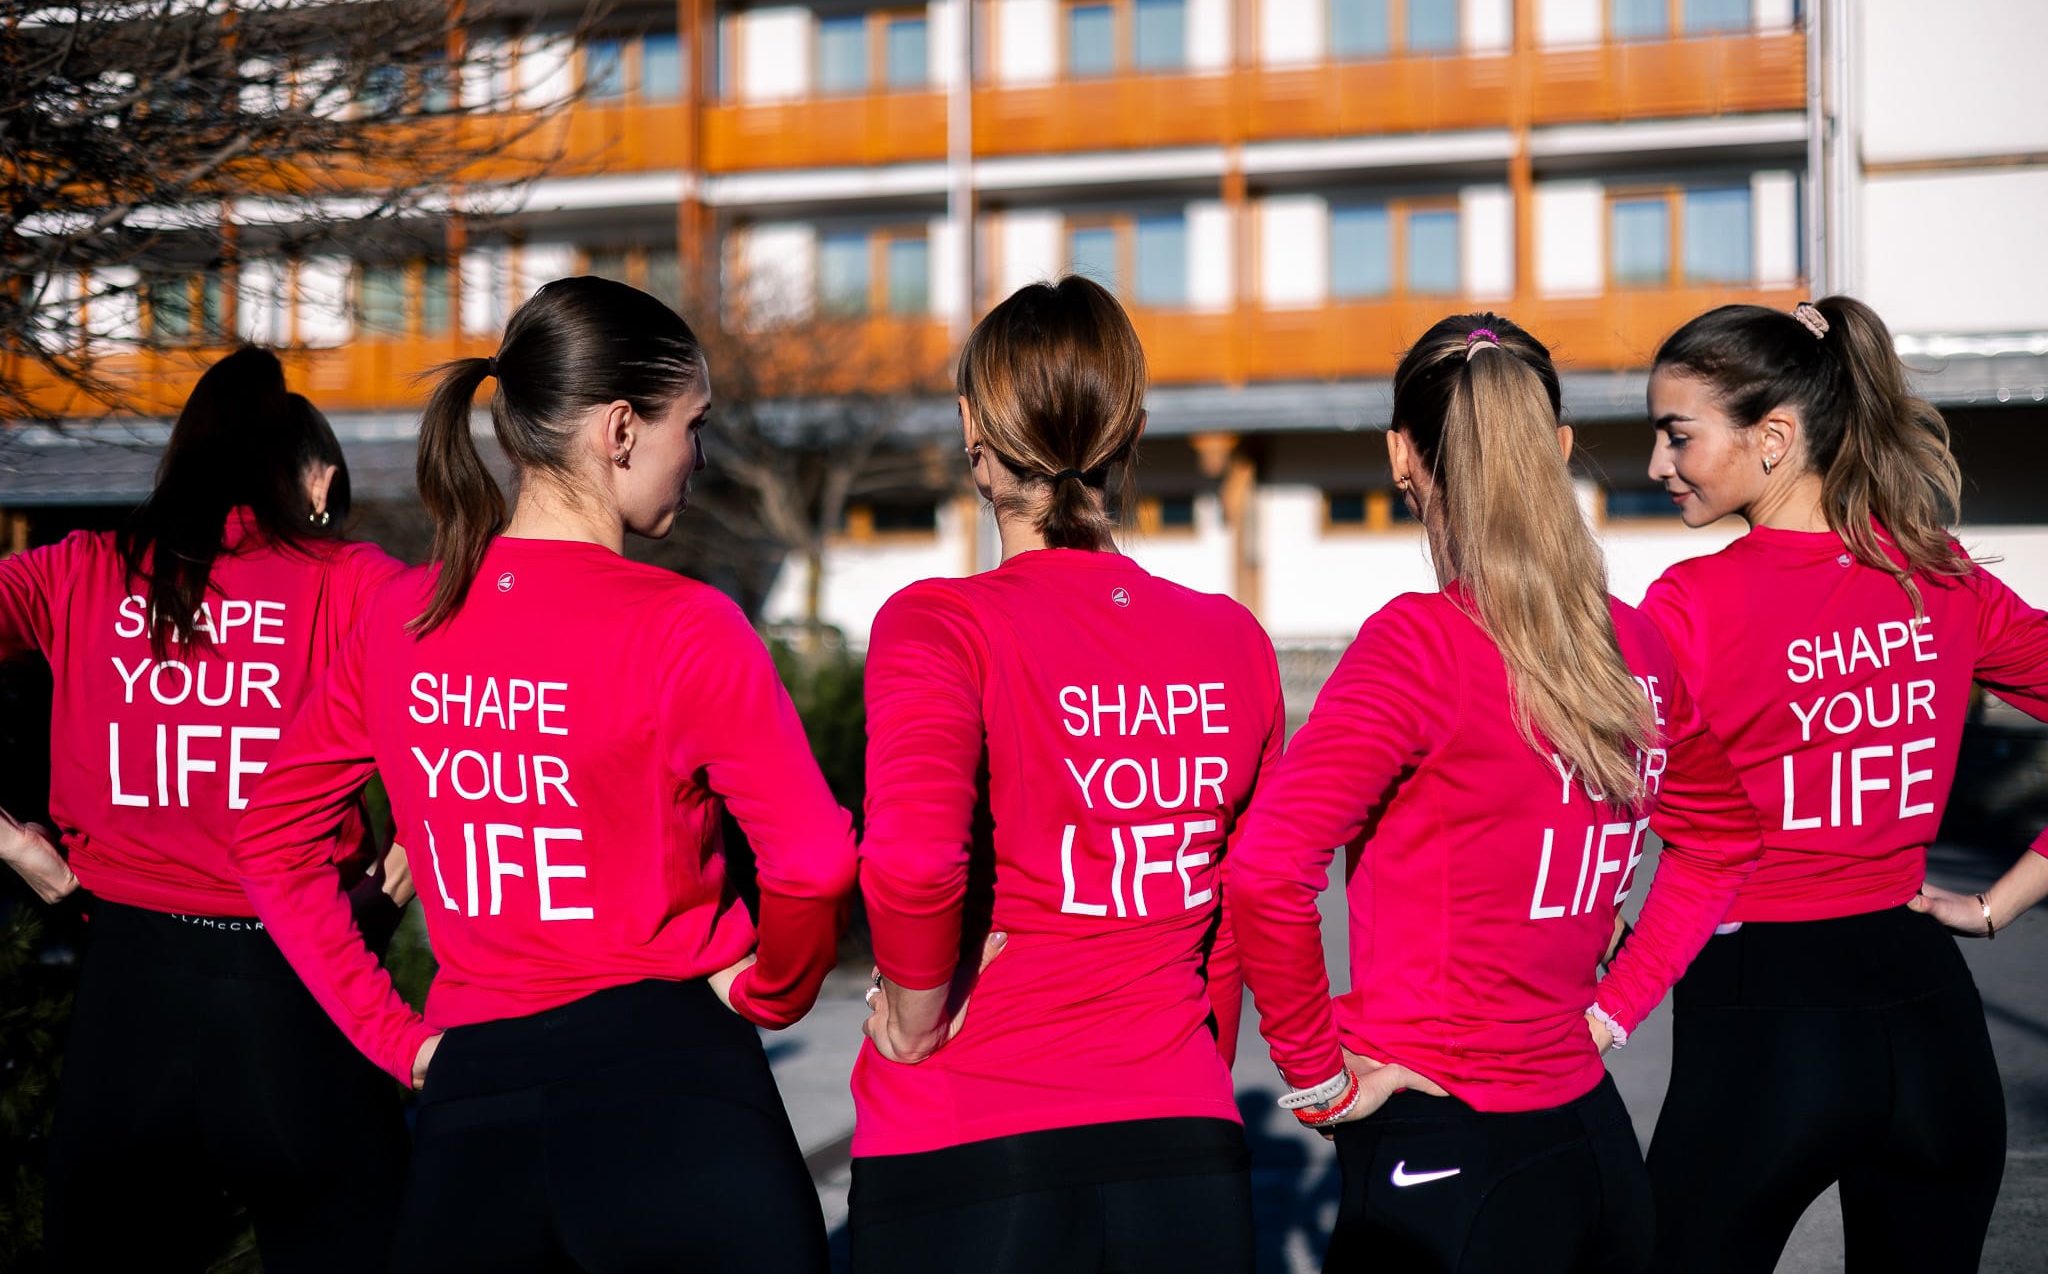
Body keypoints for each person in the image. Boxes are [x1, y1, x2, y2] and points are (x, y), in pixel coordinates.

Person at [232, 277, 857, 1274]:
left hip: (476, 1107)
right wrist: (774, 992)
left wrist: (399, 1042)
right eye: (691, 425)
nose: (697, 455)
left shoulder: (400, 620)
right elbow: (817, 861)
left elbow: (270, 838)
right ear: (618, 429)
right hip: (674, 1088)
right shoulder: (682, 624)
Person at [1228, 314, 1763, 1274]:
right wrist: (1612, 1011)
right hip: (1595, 1155)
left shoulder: (1421, 643)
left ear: (1402, 454)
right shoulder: (1634, 643)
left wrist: (1313, 1077)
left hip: (1446, 1155)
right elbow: (1722, 844)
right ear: (1556, 447)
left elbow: (1267, 868)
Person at [851, 276, 1284, 1273]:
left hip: (968, 1139)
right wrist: (1181, 1078)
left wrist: (915, 1018)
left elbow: (913, 861)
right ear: (1128, 434)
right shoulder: (1231, 640)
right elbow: (1240, 914)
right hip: (1180, 1151)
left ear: (973, 432)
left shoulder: (939, 624)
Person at [1638, 296, 2048, 1272]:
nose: (1655, 466)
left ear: (1772, 438)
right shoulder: (1936, 578)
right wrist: (2001, 903)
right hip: (1932, 1027)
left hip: (1761, 1025)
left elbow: (1576, 789)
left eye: (1675, 435)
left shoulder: (1689, 605)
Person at [0, 347, 412, 1273]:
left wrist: (15, 845)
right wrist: (406, 868)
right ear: (319, 480)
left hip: (128, 1001)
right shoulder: (350, 580)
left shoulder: (83, 570)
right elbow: (472, 694)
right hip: (301, 994)